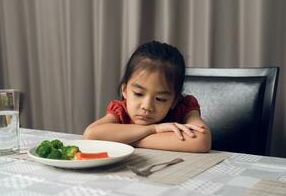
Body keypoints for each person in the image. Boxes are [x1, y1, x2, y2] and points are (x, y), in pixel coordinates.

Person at [83, 41, 211, 152]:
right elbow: (90, 135)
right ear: (125, 90)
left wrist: (127, 139)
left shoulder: (184, 106)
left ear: (174, 100)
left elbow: (201, 141)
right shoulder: (121, 110)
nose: (147, 106)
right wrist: (154, 129)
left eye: (160, 99)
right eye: (138, 94)